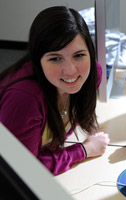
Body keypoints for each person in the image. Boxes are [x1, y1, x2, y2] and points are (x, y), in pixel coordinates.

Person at [0, 6, 110, 175]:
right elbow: (24, 170)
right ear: (38, 59)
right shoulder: (24, 99)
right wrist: (83, 151)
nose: (71, 70)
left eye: (79, 55)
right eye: (55, 58)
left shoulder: (92, 76)